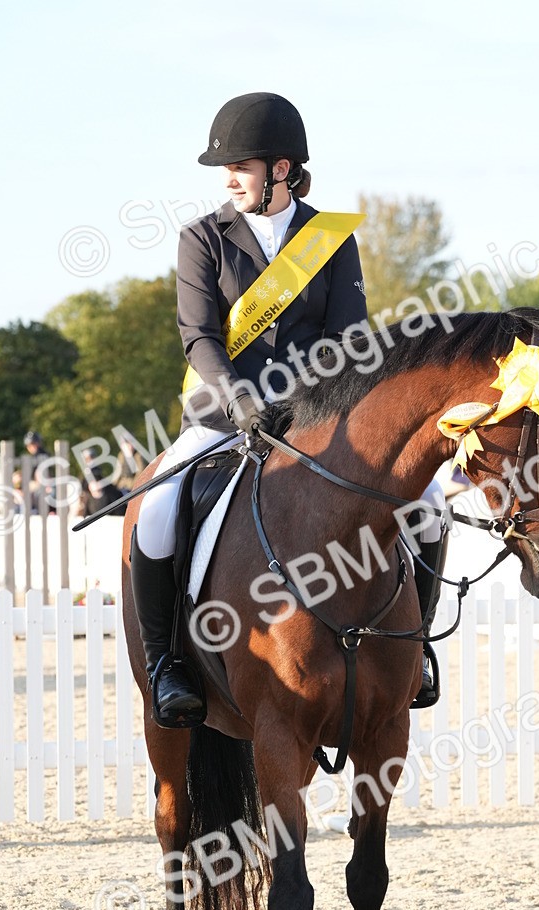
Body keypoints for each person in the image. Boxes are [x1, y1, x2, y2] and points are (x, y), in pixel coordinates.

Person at [131, 92, 445, 727]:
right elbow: (201, 339)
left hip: (317, 421)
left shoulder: (329, 240)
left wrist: (311, 408)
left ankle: (418, 648)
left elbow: (350, 341)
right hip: (224, 415)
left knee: (431, 505)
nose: (227, 178)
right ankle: (167, 661)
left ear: (280, 169)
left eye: (239, 165)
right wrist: (243, 400)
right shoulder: (203, 239)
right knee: (158, 511)